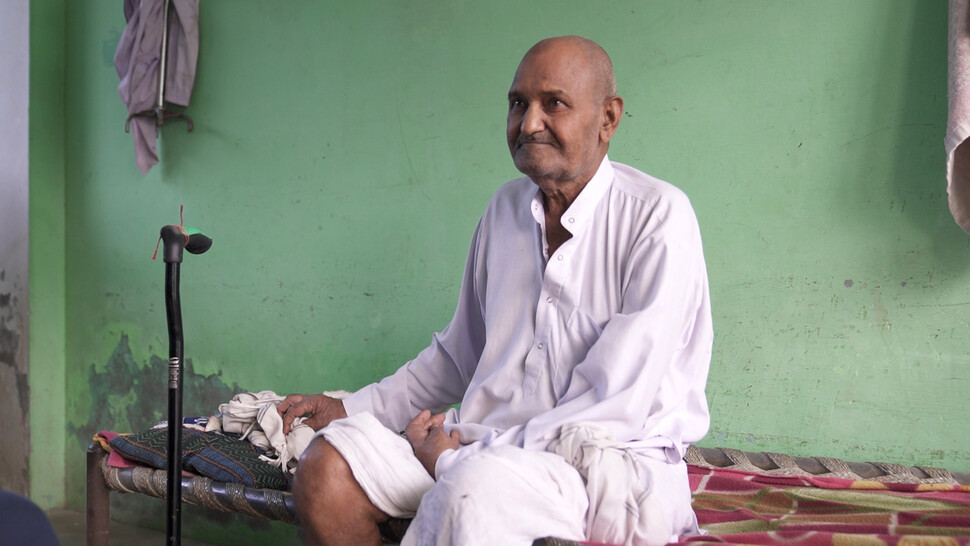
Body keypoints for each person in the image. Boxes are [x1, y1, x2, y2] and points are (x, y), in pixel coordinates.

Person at [279, 35, 712, 546]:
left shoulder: (658, 217)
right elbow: (456, 358)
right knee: (326, 466)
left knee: (471, 493)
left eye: (554, 103)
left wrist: (455, 457)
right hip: (474, 451)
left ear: (608, 119)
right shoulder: (504, 212)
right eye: (517, 104)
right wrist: (348, 409)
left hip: (605, 468)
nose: (529, 123)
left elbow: (612, 408)